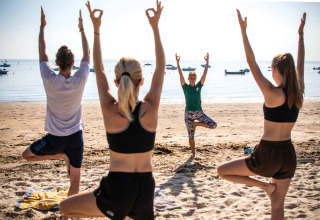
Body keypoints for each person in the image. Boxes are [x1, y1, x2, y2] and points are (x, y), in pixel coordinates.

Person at [59, 0, 165, 219]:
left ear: (116, 83)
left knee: (65, 207)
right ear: (141, 82)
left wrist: (96, 30)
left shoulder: (110, 109)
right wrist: (155, 28)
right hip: (146, 188)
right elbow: (161, 69)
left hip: (117, 188)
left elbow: (98, 70)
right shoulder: (150, 108)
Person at [217, 10, 306, 220]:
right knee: (278, 205)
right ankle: (267, 189)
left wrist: (243, 31)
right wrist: (301, 36)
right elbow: (300, 66)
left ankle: (263, 186)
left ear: (275, 70)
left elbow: (251, 62)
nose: (270, 72)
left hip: (267, 153)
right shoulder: (298, 92)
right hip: (288, 154)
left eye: (271, 68)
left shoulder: (272, 93)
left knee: (222, 171)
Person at [22, 7, 90, 198]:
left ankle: (60, 155)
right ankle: (66, 216)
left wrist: (42, 27)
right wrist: (82, 29)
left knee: (26, 155)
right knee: (75, 180)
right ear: (73, 62)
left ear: (57, 62)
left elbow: (41, 52)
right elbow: (88, 54)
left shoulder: (49, 78)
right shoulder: (80, 79)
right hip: (76, 137)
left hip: (55, 138)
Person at [175, 53, 217, 157]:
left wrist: (207, 63)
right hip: (188, 114)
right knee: (191, 135)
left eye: (194, 77)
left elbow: (204, 74)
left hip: (199, 113)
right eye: (191, 77)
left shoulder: (199, 86)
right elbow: (180, 75)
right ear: (188, 79)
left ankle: (196, 124)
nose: (193, 79)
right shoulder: (185, 87)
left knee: (213, 125)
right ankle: (193, 154)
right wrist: (177, 63)